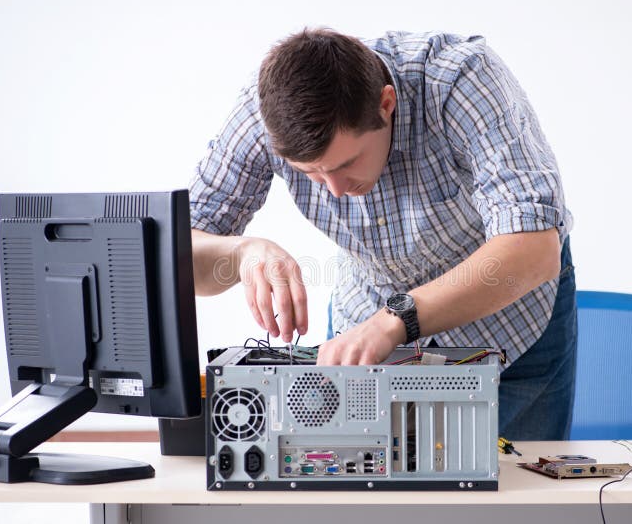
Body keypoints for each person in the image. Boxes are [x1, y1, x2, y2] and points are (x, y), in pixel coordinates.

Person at [189, 28, 576, 440]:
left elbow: (534, 248)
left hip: (509, 326)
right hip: (366, 333)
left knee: (523, 502)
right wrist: (244, 252)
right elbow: (182, 255)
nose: (335, 190)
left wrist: (398, 318)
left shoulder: (458, 79)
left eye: (345, 163)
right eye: (310, 174)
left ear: (386, 104)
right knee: (364, 499)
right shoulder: (264, 111)